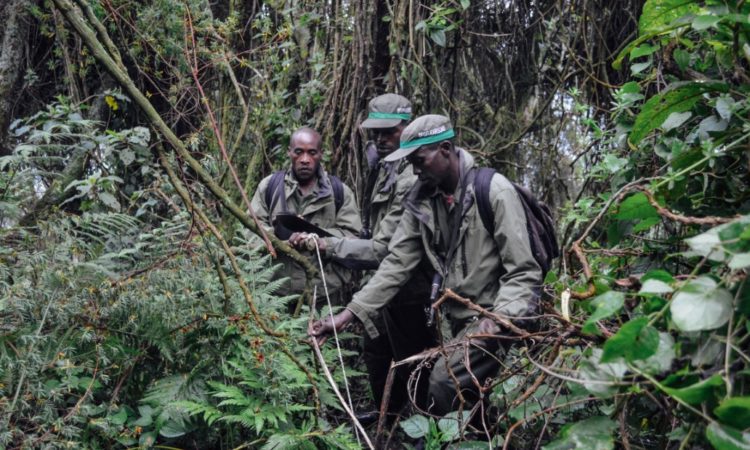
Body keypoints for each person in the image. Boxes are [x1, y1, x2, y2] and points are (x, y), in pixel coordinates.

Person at [309, 115, 542, 417]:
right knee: (454, 393)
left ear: (445, 149)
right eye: (411, 165)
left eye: (420, 161)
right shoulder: (421, 199)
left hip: (497, 316)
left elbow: (524, 272)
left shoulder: (494, 191)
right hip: (457, 319)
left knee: (444, 382)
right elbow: (396, 262)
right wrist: (346, 315)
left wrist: (497, 322)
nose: (416, 172)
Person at [293, 94, 437, 418]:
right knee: (377, 352)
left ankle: (421, 427)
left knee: (415, 364)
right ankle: (388, 414)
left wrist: (327, 245)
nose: (381, 140)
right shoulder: (385, 167)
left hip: (412, 287)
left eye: (390, 132)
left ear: (408, 128)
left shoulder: (411, 177)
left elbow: (384, 248)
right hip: (387, 286)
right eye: (376, 133)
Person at [250, 127, 361, 305]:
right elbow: (250, 229)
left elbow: (353, 239)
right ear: (289, 153)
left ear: (320, 155)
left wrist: (318, 240)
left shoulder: (339, 193)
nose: (305, 160)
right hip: (274, 294)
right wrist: (281, 239)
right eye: (299, 152)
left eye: (312, 153)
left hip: (324, 294)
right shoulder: (270, 187)